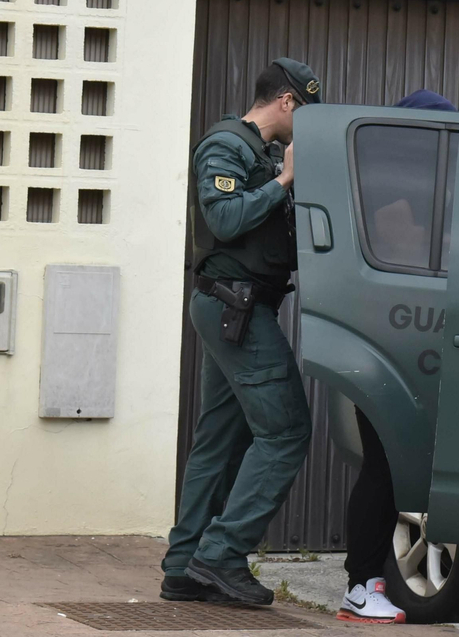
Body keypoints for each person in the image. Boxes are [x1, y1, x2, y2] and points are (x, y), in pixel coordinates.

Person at [160, 58, 322, 605]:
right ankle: (223, 554)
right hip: (235, 309)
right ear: (288, 102)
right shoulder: (226, 145)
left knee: (220, 440)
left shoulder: (263, 154)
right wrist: (284, 181)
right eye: (307, 110)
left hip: (239, 309)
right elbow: (225, 220)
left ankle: (184, 566)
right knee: (286, 431)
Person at [333, 88, 458, 624]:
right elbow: (401, 252)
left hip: (405, 339)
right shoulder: (389, 187)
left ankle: (365, 581)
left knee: (393, 469)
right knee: (385, 469)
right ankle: (360, 585)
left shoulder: (410, 183)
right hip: (392, 340)